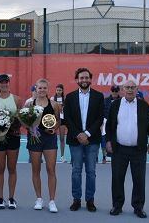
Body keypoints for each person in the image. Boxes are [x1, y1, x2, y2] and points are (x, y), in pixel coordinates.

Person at [106, 79, 149, 219]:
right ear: (122, 89)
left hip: (138, 150)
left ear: (137, 89)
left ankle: (138, 207)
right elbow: (109, 125)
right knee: (117, 179)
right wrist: (108, 141)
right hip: (119, 150)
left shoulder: (143, 105)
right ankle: (117, 205)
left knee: (139, 180)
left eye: (132, 87)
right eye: (127, 87)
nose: (129, 89)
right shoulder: (115, 105)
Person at [63, 68, 104, 212]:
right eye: (81, 78)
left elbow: (100, 118)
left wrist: (87, 134)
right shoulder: (70, 97)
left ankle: (90, 200)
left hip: (92, 140)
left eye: (86, 77)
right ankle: (76, 199)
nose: (84, 80)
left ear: (90, 79)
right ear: (77, 80)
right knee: (76, 171)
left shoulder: (99, 97)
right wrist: (78, 135)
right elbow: (67, 118)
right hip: (75, 140)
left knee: (91, 171)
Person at [26, 79, 61, 212]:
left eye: (44, 88)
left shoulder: (54, 104)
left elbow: (58, 121)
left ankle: (52, 201)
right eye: (39, 88)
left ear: (48, 89)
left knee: (51, 169)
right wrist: (30, 128)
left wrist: (54, 128)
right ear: (36, 89)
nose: (42, 90)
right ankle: (39, 199)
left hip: (49, 139)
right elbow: (25, 121)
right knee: (36, 169)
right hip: (35, 138)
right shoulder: (30, 104)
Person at [0, 74, 22, 210]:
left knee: (12, 168)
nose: (4, 84)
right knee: (0, 169)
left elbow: (21, 119)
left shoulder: (17, 99)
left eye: (6, 82)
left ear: (9, 83)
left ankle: (11, 198)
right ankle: (0, 199)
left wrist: (13, 125)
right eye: (1, 82)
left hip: (13, 137)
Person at [102, 85, 121, 164]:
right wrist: (101, 123)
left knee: (117, 138)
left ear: (118, 91)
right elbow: (101, 112)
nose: (114, 92)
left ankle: (116, 155)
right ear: (111, 91)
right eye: (113, 90)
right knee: (104, 139)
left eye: (116, 91)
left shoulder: (122, 100)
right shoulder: (105, 100)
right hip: (106, 122)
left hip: (118, 122)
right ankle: (104, 157)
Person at [50, 84, 67, 163]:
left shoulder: (65, 99)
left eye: (60, 90)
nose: (58, 91)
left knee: (62, 138)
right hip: (55, 119)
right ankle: (50, 155)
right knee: (52, 137)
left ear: (62, 91)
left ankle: (62, 156)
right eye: (57, 90)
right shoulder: (52, 99)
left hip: (62, 120)